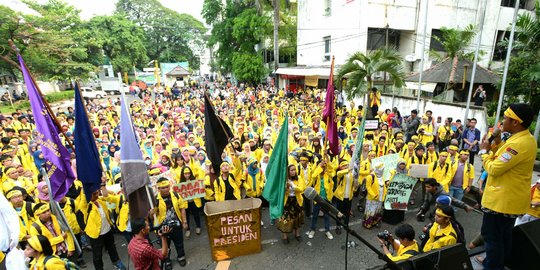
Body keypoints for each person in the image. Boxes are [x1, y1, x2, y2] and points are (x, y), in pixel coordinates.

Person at [477, 103, 536, 270]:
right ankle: (496, 263)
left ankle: (493, 266)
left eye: (505, 118)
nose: (502, 122)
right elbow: (502, 155)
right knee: (503, 237)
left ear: (516, 122)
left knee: (492, 237)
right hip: (510, 202)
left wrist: (484, 152)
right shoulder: (523, 139)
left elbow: (495, 168)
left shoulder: (518, 144)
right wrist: (495, 140)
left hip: (501, 202)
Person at [85, 186, 126, 270]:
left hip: (107, 231)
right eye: (94, 193)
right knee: (97, 255)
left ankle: (117, 263)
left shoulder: (100, 200)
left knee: (112, 248)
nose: (97, 194)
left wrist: (103, 185)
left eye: (97, 192)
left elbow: (107, 196)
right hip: (96, 235)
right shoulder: (85, 206)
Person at [154, 177, 188, 267]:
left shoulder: (176, 195)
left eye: (167, 187)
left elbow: (182, 208)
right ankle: (167, 261)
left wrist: (184, 222)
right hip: (163, 228)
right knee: (165, 246)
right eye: (163, 187)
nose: (166, 189)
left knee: (179, 243)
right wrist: (151, 213)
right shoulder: (155, 200)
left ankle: (181, 257)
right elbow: (151, 216)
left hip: (176, 225)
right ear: (159, 189)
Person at [277, 164, 304, 244]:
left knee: (297, 217)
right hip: (287, 202)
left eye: (294, 170)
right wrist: (285, 187)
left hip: (296, 201)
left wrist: (292, 185)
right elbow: (280, 191)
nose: (294, 172)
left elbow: (301, 189)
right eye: (291, 170)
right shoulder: (284, 180)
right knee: (285, 219)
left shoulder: (299, 178)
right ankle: (285, 236)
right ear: (288, 171)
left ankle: (297, 234)